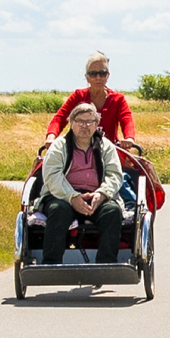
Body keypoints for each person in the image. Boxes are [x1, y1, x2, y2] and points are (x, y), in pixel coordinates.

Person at [38, 101, 132, 263]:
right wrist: (72, 197)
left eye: (90, 122)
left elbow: (115, 175)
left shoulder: (106, 146)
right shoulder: (59, 146)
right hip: (61, 196)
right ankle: (51, 264)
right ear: (71, 123)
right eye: (80, 121)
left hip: (96, 196)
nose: (85, 126)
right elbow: (52, 176)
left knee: (112, 211)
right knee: (57, 210)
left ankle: (106, 264)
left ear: (96, 124)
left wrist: (102, 194)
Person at [45, 52, 137, 145]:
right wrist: (51, 136)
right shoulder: (78, 96)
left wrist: (129, 138)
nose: (98, 78)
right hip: (78, 149)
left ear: (107, 76)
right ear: (87, 77)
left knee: (132, 159)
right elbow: (60, 118)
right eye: (93, 74)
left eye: (102, 73)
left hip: (109, 150)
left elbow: (127, 120)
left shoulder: (118, 99)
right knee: (43, 159)